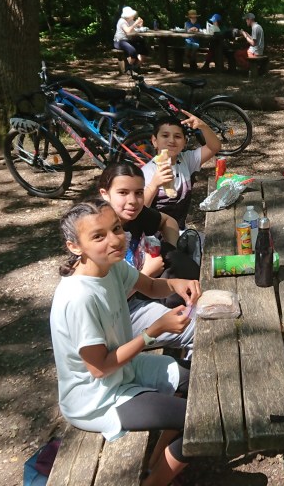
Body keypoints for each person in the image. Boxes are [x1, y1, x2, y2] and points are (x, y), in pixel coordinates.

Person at [50, 199, 200, 486]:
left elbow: (151, 286)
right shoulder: (79, 298)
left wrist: (176, 284)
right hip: (97, 398)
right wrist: (153, 331)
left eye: (116, 229)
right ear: (75, 247)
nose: (114, 240)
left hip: (125, 369)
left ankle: (157, 462)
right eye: (98, 236)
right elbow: (99, 369)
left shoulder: (111, 265)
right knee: (200, 418)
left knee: (201, 382)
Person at [97, 163, 200, 351]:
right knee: (200, 329)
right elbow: (105, 301)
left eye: (138, 192)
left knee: (198, 312)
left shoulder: (134, 214)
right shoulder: (97, 235)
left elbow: (167, 221)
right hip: (117, 316)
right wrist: (147, 272)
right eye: (123, 192)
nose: (132, 201)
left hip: (142, 291)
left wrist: (173, 250)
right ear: (105, 194)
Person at [141, 112, 222, 229]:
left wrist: (203, 127)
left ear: (184, 142)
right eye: (165, 135)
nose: (171, 141)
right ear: (154, 141)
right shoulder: (147, 172)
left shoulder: (186, 160)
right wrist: (153, 185)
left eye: (177, 136)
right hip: (153, 236)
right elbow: (139, 210)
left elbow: (214, 147)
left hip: (180, 231)